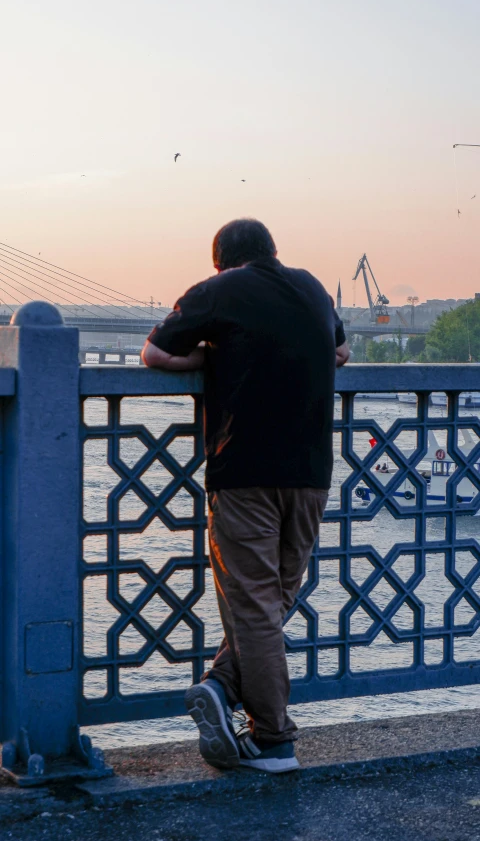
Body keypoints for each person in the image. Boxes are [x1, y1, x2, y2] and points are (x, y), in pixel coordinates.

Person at [142, 218, 349, 774]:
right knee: (276, 596)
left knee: (255, 601)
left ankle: (274, 739)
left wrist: (210, 358)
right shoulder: (311, 287)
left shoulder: (218, 291)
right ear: (273, 252)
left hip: (244, 472)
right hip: (311, 473)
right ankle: (220, 685)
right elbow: (341, 352)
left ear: (223, 262)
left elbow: (155, 356)